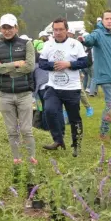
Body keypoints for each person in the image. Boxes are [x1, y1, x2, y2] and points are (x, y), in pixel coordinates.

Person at [0, 13, 37, 164]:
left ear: (16, 28)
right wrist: (15, 64)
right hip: (5, 95)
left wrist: (4, 69)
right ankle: (17, 159)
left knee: (26, 130)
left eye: (10, 27)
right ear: (0, 29)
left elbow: (29, 66)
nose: (7, 30)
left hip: (24, 94)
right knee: (11, 131)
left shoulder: (26, 44)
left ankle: (31, 158)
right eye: (4, 27)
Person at [39, 17, 88, 156]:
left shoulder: (75, 44)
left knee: (74, 118)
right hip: (53, 86)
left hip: (72, 87)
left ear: (66, 30)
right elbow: (41, 63)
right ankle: (58, 140)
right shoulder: (48, 45)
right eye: (55, 30)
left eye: (61, 29)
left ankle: (76, 145)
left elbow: (85, 62)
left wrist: (69, 64)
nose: (58, 32)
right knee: (49, 111)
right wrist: (54, 65)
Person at [83, 10, 111, 138]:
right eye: (107, 19)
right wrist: (84, 40)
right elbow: (89, 40)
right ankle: (104, 132)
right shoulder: (98, 33)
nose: (109, 21)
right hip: (105, 75)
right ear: (102, 21)